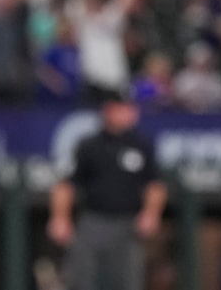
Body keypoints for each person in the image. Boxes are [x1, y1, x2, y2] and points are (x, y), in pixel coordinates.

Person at [46, 89, 167, 290]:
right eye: (123, 109)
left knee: (127, 281)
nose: (130, 113)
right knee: (81, 280)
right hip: (93, 221)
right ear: (109, 110)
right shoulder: (89, 145)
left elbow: (155, 185)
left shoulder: (141, 144)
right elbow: (66, 185)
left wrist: (151, 213)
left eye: (130, 109)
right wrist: (60, 218)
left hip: (127, 224)